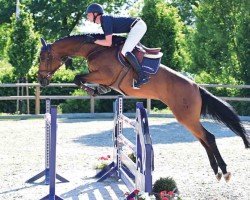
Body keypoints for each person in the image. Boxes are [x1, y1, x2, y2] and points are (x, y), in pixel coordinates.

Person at [85, 3, 149, 88]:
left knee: (125, 51)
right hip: (136, 26)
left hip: (138, 26)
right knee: (124, 49)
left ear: (95, 14)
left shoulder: (105, 21)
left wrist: (94, 40)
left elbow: (108, 43)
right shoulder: (104, 21)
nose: (87, 17)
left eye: (88, 14)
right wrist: (95, 41)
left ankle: (142, 76)